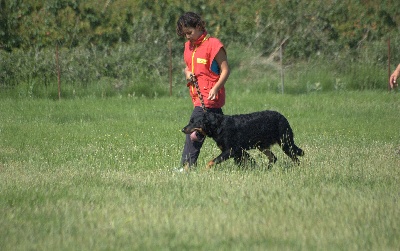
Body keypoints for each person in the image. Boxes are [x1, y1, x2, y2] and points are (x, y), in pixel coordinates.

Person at [176, 12, 230, 170]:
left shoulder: (213, 45)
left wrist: (216, 88)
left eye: (189, 33)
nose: (187, 37)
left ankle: (187, 167)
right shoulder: (189, 46)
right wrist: (188, 74)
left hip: (210, 97)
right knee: (223, 137)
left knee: (193, 131)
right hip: (197, 97)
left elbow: (225, 70)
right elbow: (188, 68)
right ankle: (245, 161)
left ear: (199, 26)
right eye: (184, 34)